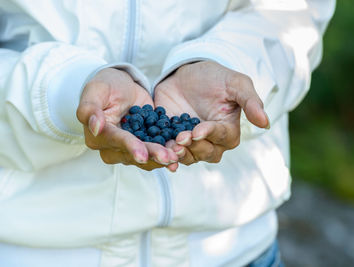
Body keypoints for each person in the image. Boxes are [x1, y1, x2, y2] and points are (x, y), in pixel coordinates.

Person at [0, 0, 335, 266]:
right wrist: (64, 92)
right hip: (31, 251)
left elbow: (290, 11)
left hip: (236, 252)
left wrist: (226, 60)